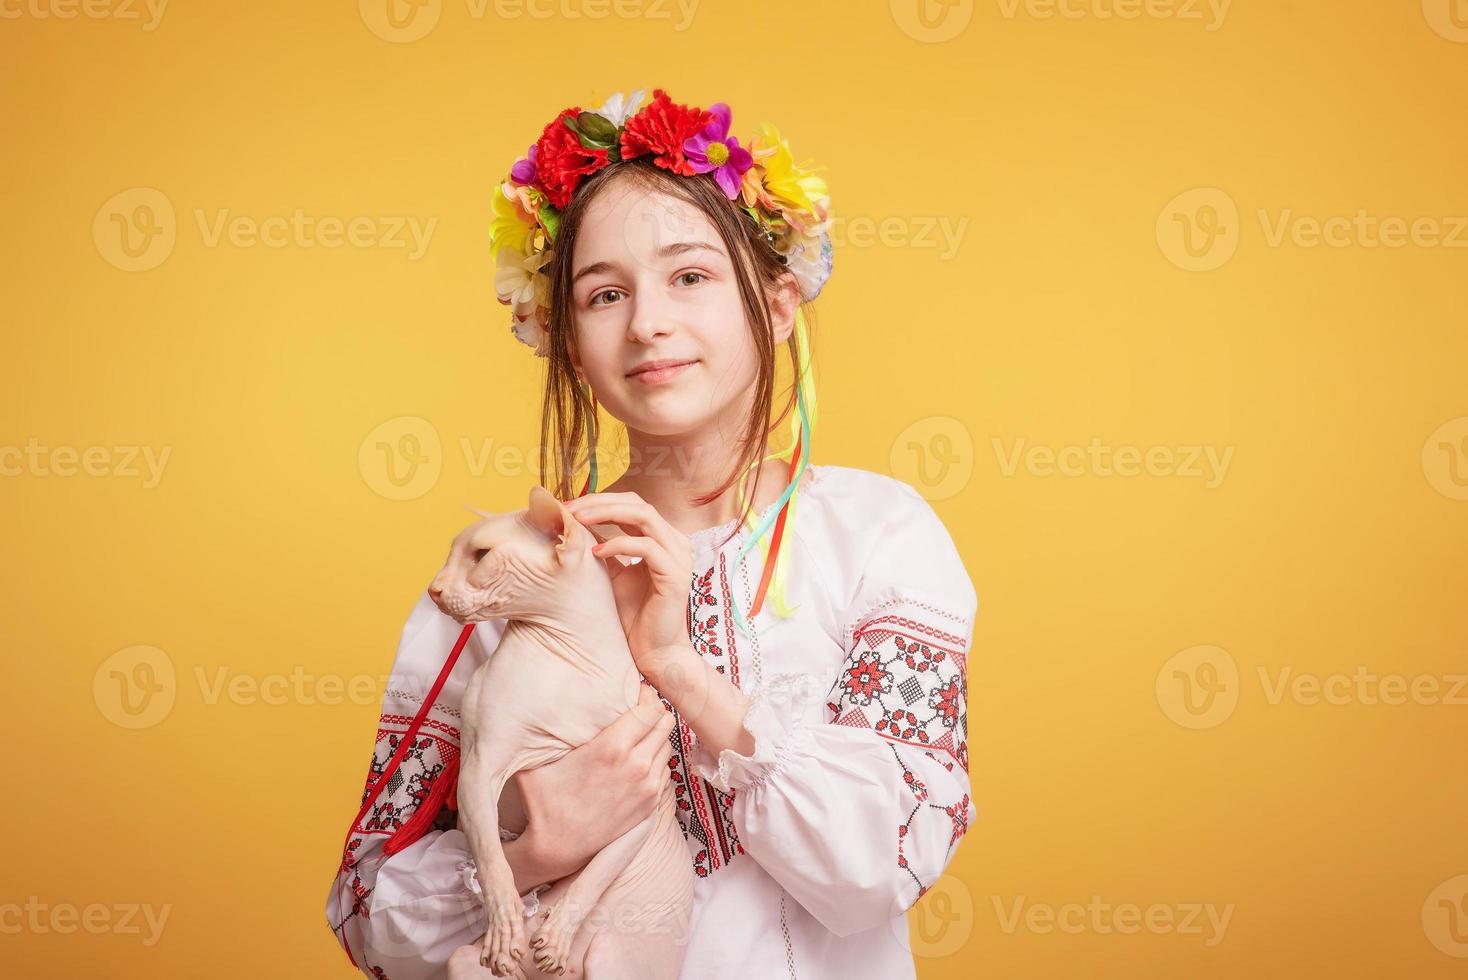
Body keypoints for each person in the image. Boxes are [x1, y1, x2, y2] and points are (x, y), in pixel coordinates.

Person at [325, 88, 979, 980]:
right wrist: (527, 850)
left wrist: (676, 665)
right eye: (603, 294)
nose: (647, 323)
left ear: (779, 301)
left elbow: (886, 863)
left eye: (691, 276)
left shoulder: (879, 536)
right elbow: (372, 918)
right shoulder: (504, 574)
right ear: (563, 336)